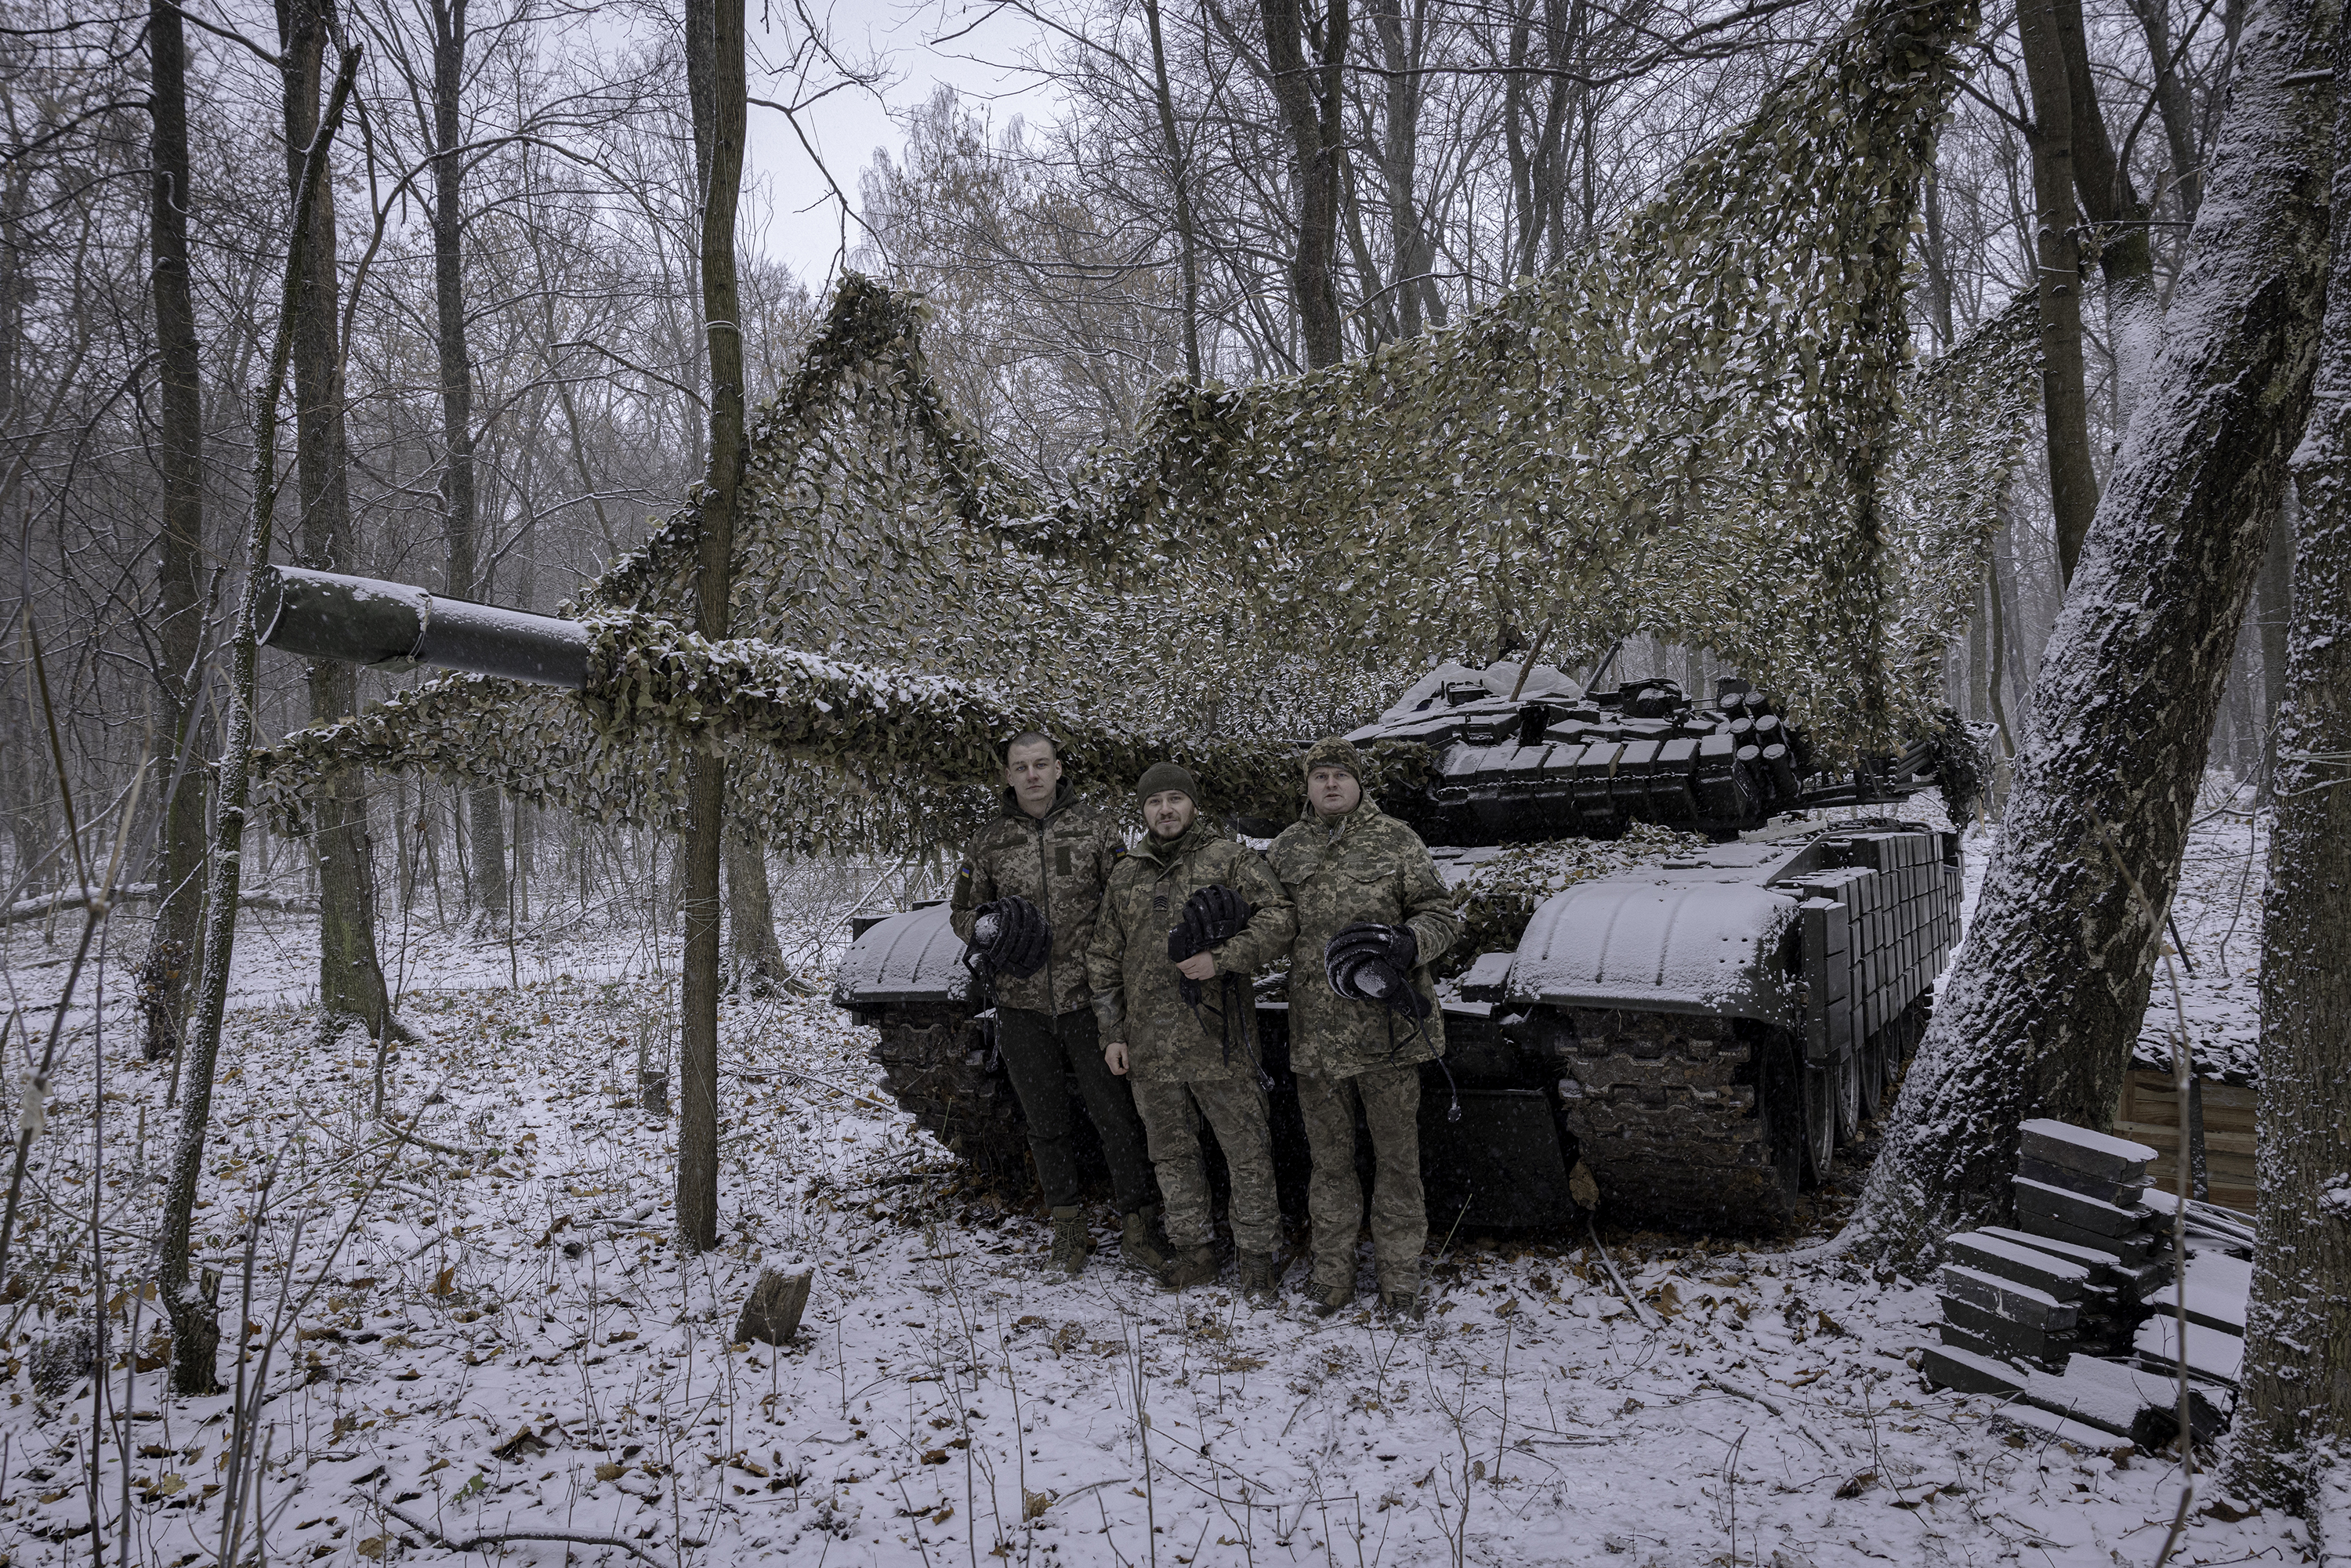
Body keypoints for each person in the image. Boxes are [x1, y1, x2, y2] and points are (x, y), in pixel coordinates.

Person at [951, 731, 1166, 1279]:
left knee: (1116, 1117)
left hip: (1089, 1001)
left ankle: (1139, 1226)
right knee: (1045, 1123)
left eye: (1040, 764)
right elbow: (962, 912)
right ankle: (1068, 1230)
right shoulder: (989, 841)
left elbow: (1125, 900)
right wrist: (987, 926)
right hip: (1022, 1005)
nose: (1032, 775)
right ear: (1008, 775)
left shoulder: (1094, 829)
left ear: (1058, 767)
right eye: (1020, 766)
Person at [1086, 761, 1295, 1300]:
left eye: (1175, 799)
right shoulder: (1127, 873)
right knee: (1171, 1154)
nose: (1166, 809)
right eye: (1155, 802)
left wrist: (1223, 957)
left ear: (1193, 805)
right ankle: (1193, 1249)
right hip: (1150, 1045)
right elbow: (1104, 956)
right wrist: (1112, 1032)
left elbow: (1279, 916)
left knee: (1246, 1149)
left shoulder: (1228, 859)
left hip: (1218, 1039)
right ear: (1144, 810)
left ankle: (1256, 1256)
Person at [1268, 737, 1460, 1320]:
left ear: (1358, 783)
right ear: (1307, 785)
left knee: (1398, 1163)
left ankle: (1400, 1278)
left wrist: (1409, 942)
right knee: (1329, 1165)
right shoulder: (1285, 849)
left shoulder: (1397, 839)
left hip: (1388, 1035)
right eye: (1320, 775)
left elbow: (1442, 915)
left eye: (1340, 775)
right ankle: (1333, 1275)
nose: (1330, 784)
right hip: (1317, 1040)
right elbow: (1267, 923)